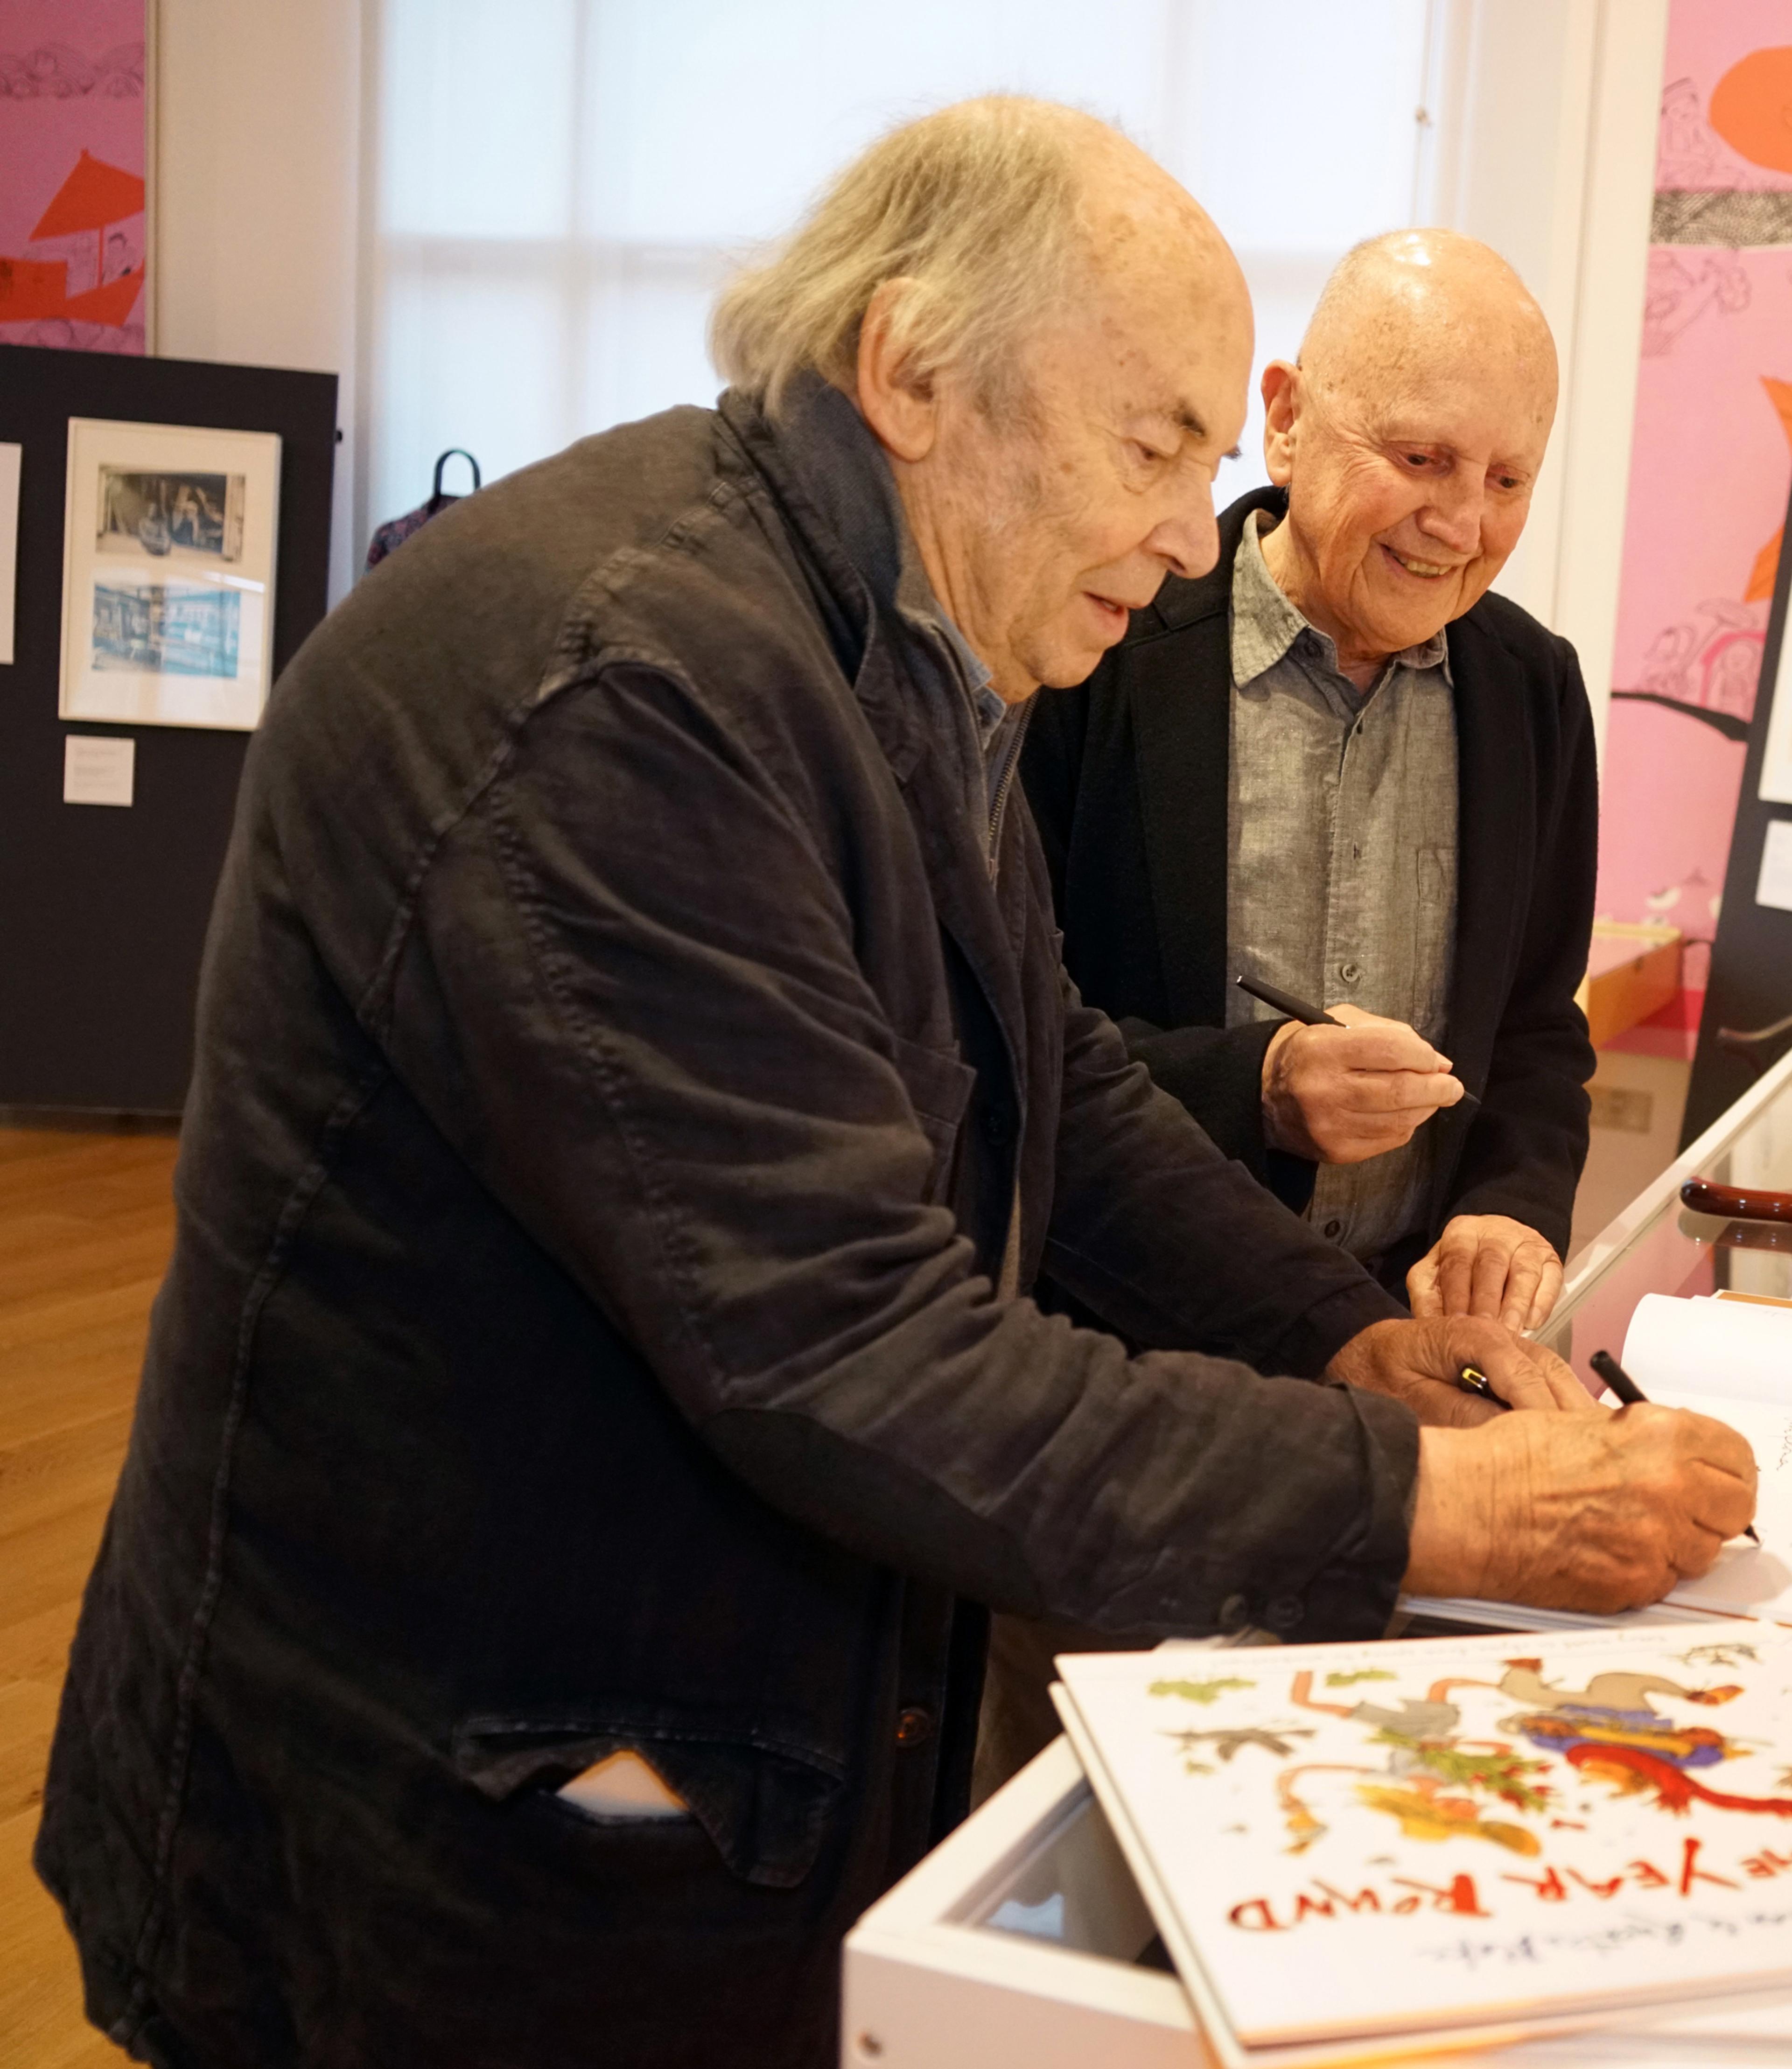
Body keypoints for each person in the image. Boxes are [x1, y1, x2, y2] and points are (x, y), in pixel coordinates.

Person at [37, 105, 1751, 2069]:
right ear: (917, 371)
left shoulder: (898, 646)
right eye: (1157, 445)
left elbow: (1069, 1090)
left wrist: (1349, 1340)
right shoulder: (638, 690)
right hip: (435, 1826)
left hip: (646, 1754)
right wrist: (1435, 1496)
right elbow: (854, 1347)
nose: (1200, 533)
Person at [1023, 231, 1594, 1331]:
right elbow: (1005, 1033)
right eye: (1422, 459)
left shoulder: (1533, 691)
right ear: (1284, 420)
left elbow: (1534, 1028)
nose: (1463, 525)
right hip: (1125, 1337)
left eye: (1508, 478)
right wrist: (1263, 1089)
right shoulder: (1097, 649)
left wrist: (1510, 1208)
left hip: (1406, 1342)